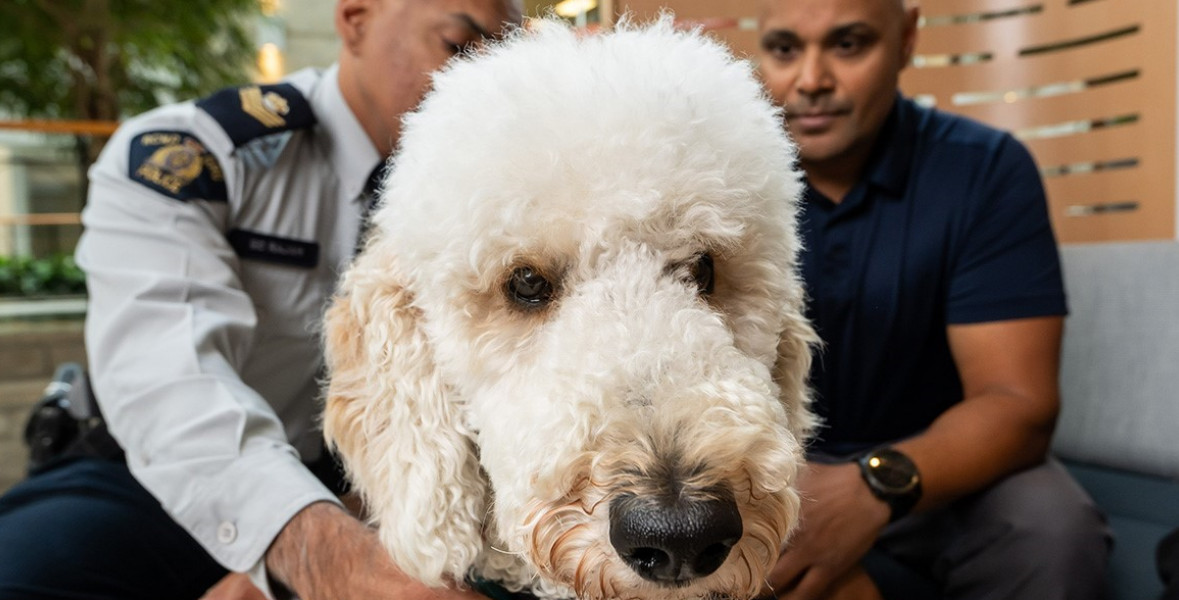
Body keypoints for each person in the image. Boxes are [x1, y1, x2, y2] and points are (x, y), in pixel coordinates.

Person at [0, 1, 522, 599]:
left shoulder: (500, 203)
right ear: (354, 20)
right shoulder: (204, 155)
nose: (482, 85)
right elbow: (169, 381)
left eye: (503, 60)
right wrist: (314, 552)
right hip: (147, 477)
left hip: (371, 483)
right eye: (458, 48)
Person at [755, 0, 1111, 599]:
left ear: (907, 38)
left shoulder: (986, 172)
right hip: (765, 467)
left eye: (848, 45)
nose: (811, 80)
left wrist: (871, 488)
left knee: (1053, 530)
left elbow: (1019, 404)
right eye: (786, 49)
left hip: (936, 469)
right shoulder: (719, 177)